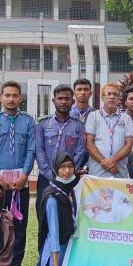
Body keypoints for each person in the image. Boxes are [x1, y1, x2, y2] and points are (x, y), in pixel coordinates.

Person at [0, 81, 36, 266]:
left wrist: (25, 175)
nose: (11, 99)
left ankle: (16, 264)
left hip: (20, 183)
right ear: (1, 98)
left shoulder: (29, 122)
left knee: (19, 224)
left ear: (20, 98)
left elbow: (31, 150)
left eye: (15, 95)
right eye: (7, 95)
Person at [23, 152, 78, 266]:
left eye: (70, 166)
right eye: (63, 167)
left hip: (68, 245)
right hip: (56, 249)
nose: (67, 171)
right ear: (55, 169)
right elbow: (54, 235)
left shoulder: (69, 190)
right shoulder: (53, 197)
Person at [35, 84, 86, 216]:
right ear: (54, 101)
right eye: (60, 98)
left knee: (69, 215)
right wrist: (51, 175)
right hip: (46, 178)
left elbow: (80, 151)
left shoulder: (79, 125)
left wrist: (67, 172)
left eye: (67, 99)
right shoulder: (43, 124)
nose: (63, 102)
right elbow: (39, 150)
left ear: (72, 101)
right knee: (44, 214)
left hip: (70, 178)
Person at [85, 82, 133, 178]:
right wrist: (104, 162)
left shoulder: (126, 118)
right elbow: (89, 144)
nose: (112, 97)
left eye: (115, 94)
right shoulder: (93, 116)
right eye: (109, 94)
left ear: (119, 99)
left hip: (119, 172)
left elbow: (129, 145)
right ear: (102, 98)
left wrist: (112, 161)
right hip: (98, 172)